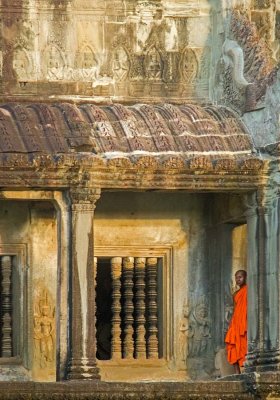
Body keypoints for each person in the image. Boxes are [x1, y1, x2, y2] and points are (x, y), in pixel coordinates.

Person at [225, 269, 247, 374]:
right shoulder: (236, 293)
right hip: (236, 322)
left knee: (244, 345)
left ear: (245, 277)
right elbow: (235, 308)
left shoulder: (248, 290)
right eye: (236, 277)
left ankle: (247, 370)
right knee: (232, 345)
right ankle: (237, 372)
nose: (238, 279)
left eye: (240, 277)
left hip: (244, 322)